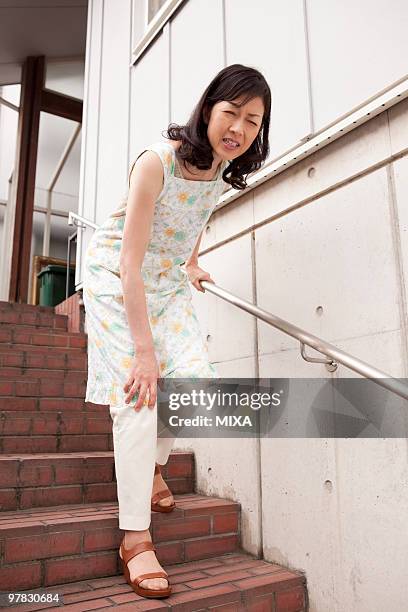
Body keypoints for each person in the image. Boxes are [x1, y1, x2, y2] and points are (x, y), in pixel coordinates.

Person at [82, 63, 271, 599]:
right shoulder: (155, 163)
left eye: (253, 122)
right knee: (142, 397)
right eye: (232, 113)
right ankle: (135, 539)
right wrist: (144, 352)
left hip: (163, 279)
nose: (239, 128)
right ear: (209, 108)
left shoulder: (221, 168)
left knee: (194, 386)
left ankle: (156, 470)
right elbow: (128, 264)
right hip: (118, 279)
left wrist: (191, 262)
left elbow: (194, 219)